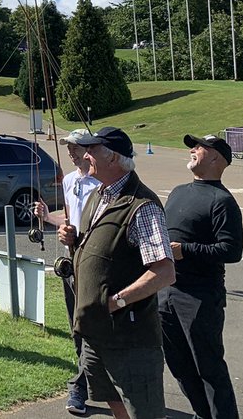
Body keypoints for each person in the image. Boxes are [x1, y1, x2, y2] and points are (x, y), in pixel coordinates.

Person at [58, 126, 175, 419]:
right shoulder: (99, 195)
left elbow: (163, 272)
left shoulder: (142, 206)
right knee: (114, 404)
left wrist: (117, 302)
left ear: (113, 158)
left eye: (93, 149)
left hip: (130, 339)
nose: (86, 155)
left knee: (143, 413)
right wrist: (75, 241)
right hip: (96, 333)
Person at [159, 134, 243, 419]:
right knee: (179, 364)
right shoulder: (178, 191)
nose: (192, 150)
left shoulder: (222, 201)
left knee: (208, 367)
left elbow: (232, 250)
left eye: (199, 147)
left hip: (198, 297)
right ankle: (203, 414)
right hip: (165, 291)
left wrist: (187, 250)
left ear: (216, 158)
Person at [36, 128, 101, 416]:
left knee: (92, 324)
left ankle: (83, 384)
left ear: (90, 149)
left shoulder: (103, 184)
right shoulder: (70, 180)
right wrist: (48, 217)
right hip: (69, 263)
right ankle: (84, 384)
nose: (71, 152)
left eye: (75, 147)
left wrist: (78, 236)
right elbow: (69, 218)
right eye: (69, 148)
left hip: (95, 262)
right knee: (76, 325)